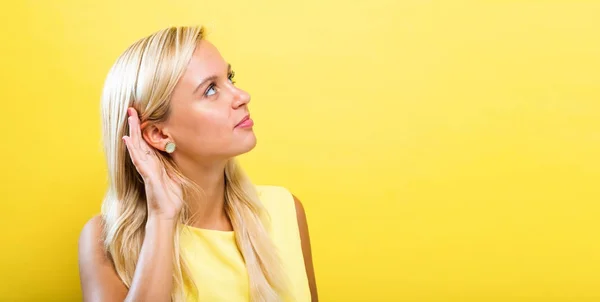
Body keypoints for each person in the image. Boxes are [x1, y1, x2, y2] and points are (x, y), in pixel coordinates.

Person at [78, 25, 318, 302]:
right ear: (158, 134)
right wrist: (162, 218)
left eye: (230, 78)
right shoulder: (107, 242)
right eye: (211, 90)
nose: (242, 97)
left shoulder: (285, 211)